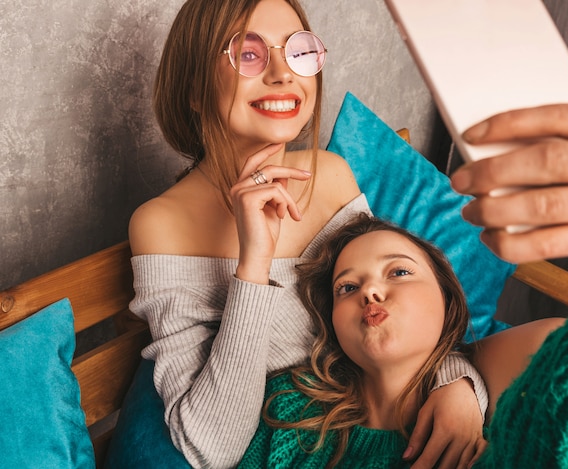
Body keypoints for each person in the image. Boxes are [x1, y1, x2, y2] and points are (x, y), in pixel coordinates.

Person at [128, 0, 488, 467]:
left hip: (402, 426)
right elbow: (211, 448)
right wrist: (254, 262)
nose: (284, 74)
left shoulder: (331, 175)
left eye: (298, 52)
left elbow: (399, 309)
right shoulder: (161, 225)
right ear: (194, 87)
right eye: (250, 53)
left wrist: (457, 384)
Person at [239, 213, 568, 468]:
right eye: (348, 286)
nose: (370, 290)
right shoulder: (290, 409)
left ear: (447, 300)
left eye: (399, 272)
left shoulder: (491, 419)